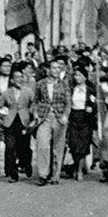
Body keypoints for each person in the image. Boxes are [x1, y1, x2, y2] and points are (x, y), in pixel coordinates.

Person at [33, 57, 71, 185]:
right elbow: (35, 101)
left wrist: (65, 115)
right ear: (48, 69)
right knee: (43, 145)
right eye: (54, 68)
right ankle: (43, 174)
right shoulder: (40, 84)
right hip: (44, 117)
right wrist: (36, 113)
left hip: (59, 118)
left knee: (58, 147)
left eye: (58, 68)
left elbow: (68, 103)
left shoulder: (64, 84)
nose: (56, 70)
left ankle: (55, 174)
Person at [0, 67, 35, 182]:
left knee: (24, 148)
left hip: (24, 122)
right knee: (10, 148)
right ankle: (13, 174)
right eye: (17, 77)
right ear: (12, 80)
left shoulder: (28, 92)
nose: (20, 79)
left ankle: (27, 164)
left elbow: (34, 103)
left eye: (22, 77)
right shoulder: (6, 93)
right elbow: (0, 106)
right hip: (10, 123)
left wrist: (32, 114)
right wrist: (3, 115)